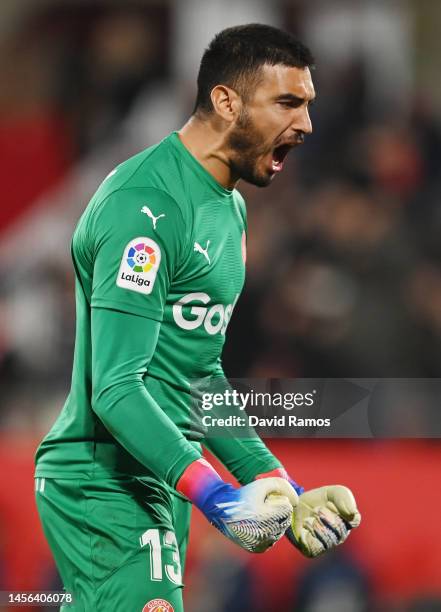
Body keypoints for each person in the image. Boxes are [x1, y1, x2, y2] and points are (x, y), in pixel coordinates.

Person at [35, 24, 361, 612]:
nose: (307, 125)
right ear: (226, 100)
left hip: (157, 480)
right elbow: (114, 388)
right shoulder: (146, 208)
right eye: (288, 102)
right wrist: (215, 494)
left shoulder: (229, 209)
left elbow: (197, 377)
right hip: (103, 480)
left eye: (309, 105)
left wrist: (280, 487)